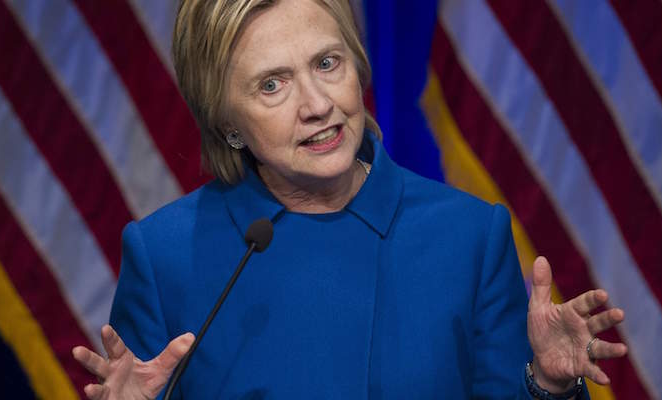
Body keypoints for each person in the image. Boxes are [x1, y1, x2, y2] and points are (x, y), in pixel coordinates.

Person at [72, 0, 628, 398]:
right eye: (272, 84)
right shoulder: (165, 254)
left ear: (357, 66)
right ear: (227, 122)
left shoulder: (468, 237)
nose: (317, 103)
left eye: (326, 63)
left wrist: (549, 386)